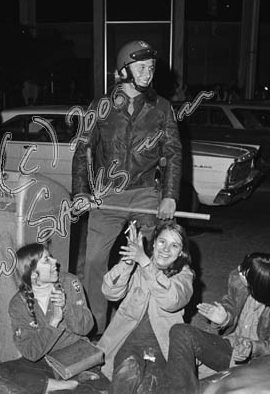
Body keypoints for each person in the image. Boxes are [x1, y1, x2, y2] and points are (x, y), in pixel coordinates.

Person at [72, 40, 182, 333]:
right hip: (107, 196)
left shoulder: (162, 108)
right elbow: (83, 150)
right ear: (122, 70)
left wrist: (169, 196)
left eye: (151, 67)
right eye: (141, 66)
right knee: (94, 262)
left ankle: (144, 325)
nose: (148, 72)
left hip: (146, 193)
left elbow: (173, 153)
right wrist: (81, 191)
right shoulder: (100, 107)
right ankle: (95, 328)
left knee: (151, 261)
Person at [161, 253, 270, 394]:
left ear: (259, 286)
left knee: (202, 387)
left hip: (256, 364)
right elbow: (231, 303)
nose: (238, 269)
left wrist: (253, 347)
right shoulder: (238, 279)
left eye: (244, 273)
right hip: (229, 347)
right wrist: (224, 318)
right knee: (180, 331)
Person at [0, 243, 108, 394]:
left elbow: (86, 328)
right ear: (33, 274)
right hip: (43, 362)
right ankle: (59, 386)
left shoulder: (69, 282)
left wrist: (66, 307)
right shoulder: (18, 304)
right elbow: (31, 353)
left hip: (76, 359)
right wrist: (54, 321)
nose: (55, 262)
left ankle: (52, 386)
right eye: (47, 260)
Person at [98, 221, 194, 393]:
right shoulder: (136, 265)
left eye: (174, 246)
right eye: (162, 242)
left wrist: (145, 263)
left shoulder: (185, 275)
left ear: (181, 252)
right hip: (128, 340)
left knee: (149, 385)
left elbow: (172, 300)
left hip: (161, 346)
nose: (166, 249)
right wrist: (127, 263)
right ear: (154, 242)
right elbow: (109, 292)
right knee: (127, 370)